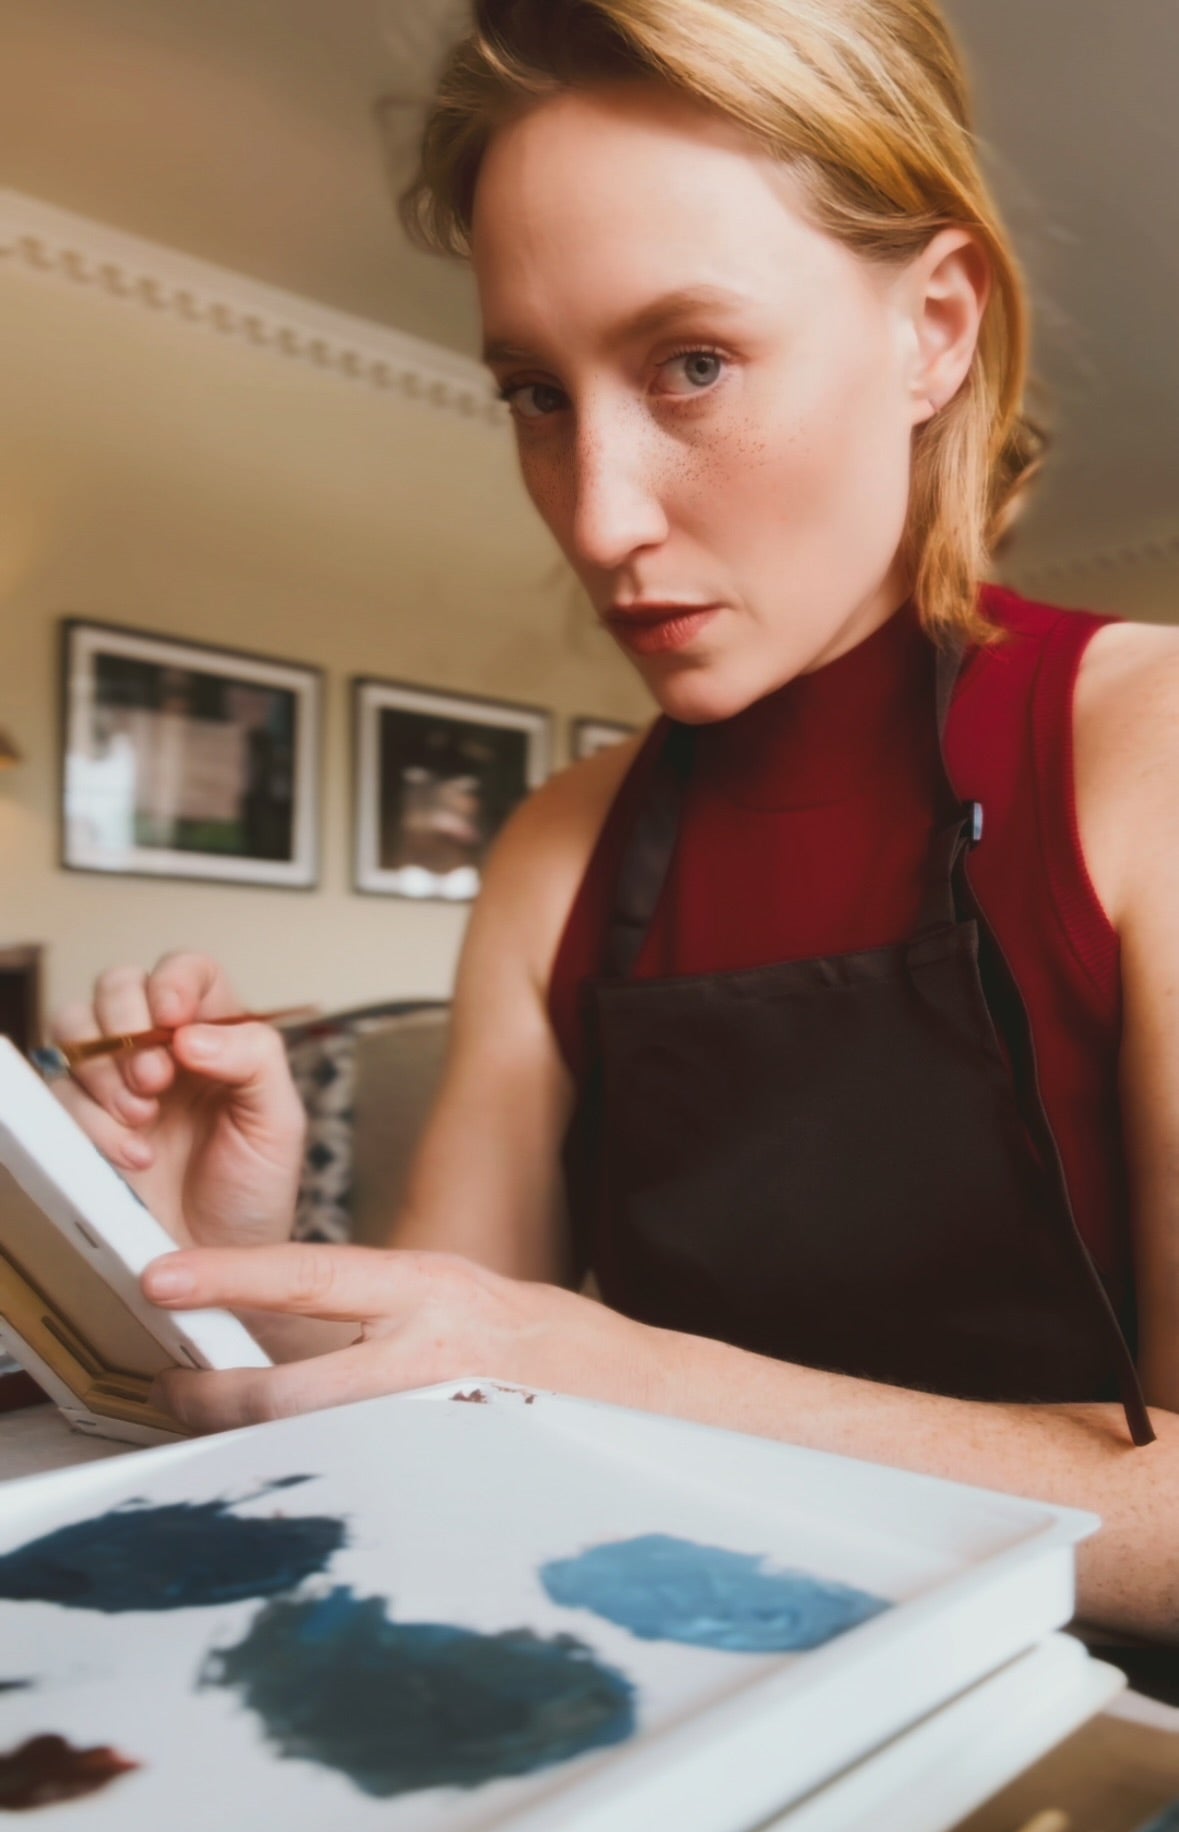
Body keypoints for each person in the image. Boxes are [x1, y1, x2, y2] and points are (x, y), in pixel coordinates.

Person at [54, 0, 1179, 1645]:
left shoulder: (1149, 747)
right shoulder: (558, 850)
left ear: (933, 326)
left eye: (694, 365)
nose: (599, 514)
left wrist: (621, 1380)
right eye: (535, 392)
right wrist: (226, 1271)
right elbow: (452, 1388)